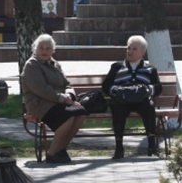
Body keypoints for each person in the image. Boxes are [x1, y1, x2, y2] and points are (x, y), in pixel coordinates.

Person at [21, 34, 88, 164]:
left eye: (48, 48)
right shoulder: (31, 65)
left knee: (80, 113)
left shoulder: (54, 64)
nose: (44, 51)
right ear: (35, 49)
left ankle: (60, 149)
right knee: (68, 116)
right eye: (41, 48)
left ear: (53, 50)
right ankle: (52, 154)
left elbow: (66, 84)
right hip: (39, 104)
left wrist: (70, 95)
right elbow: (41, 89)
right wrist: (62, 98)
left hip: (57, 102)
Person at [102, 35, 162, 160]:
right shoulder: (117, 67)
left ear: (143, 52)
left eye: (134, 49)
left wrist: (148, 90)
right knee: (116, 107)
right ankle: (119, 147)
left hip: (141, 100)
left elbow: (158, 87)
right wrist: (115, 91)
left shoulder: (150, 69)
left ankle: (152, 145)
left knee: (149, 106)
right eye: (128, 48)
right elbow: (106, 85)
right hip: (122, 100)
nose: (130, 51)